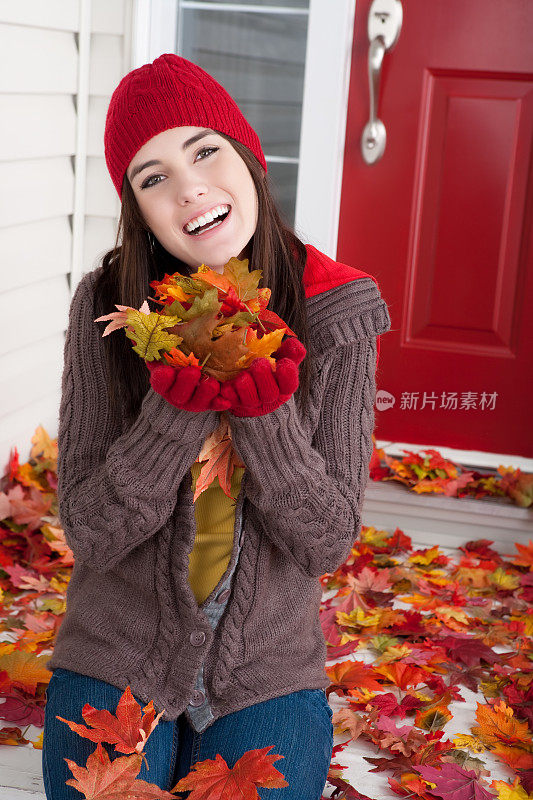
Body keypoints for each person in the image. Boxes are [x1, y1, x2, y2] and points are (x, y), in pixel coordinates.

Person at [42, 54, 391, 798]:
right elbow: (93, 533)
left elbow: (325, 539)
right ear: (136, 208)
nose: (189, 185)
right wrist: (175, 408)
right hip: (118, 651)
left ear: (247, 159)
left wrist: (264, 417)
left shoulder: (339, 307)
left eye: (204, 150)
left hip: (263, 669)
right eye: (152, 175)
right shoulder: (106, 306)